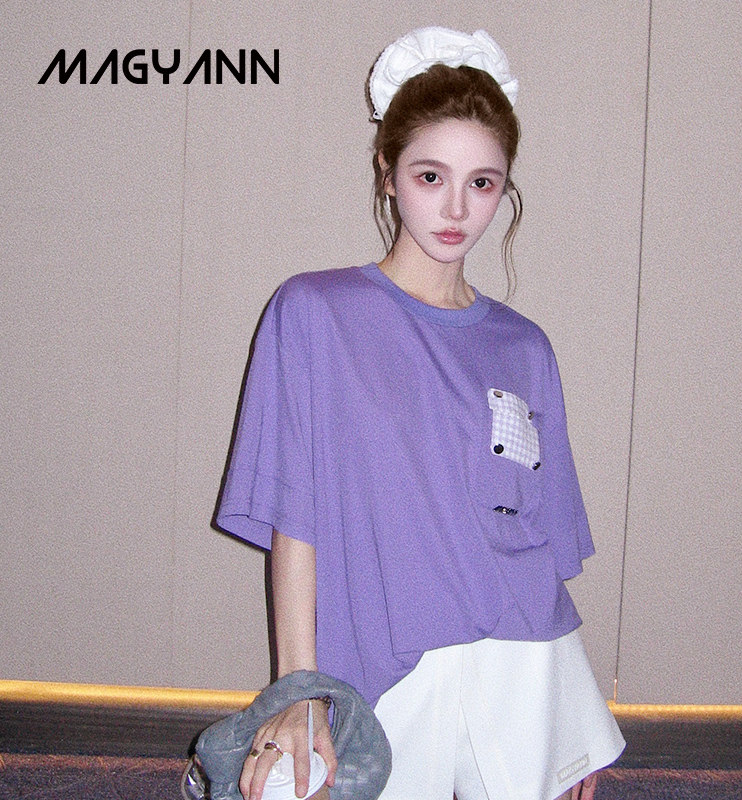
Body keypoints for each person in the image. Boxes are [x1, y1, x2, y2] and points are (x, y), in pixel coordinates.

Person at [216, 26, 625, 800]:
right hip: (381, 669)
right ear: (387, 171)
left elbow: (536, 545)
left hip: (523, 668)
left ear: (505, 189)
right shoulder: (315, 312)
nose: (456, 207)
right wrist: (299, 689)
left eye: (483, 183)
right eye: (431, 175)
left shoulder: (525, 347)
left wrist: (571, 716)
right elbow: (295, 518)